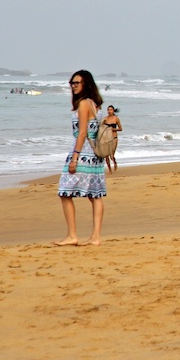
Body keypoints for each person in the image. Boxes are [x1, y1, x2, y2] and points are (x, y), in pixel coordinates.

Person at [54, 70, 106, 247]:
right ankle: (95, 237)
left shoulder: (84, 104)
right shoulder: (94, 104)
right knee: (95, 195)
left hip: (82, 153)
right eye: (72, 83)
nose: (74, 86)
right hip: (95, 155)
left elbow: (82, 133)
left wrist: (74, 157)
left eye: (77, 83)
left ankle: (72, 235)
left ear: (86, 84)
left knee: (64, 191)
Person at [102, 105, 122, 173]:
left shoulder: (116, 118)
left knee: (111, 155)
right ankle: (110, 169)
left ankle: (115, 162)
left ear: (113, 111)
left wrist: (113, 129)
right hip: (107, 138)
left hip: (114, 138)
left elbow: (120, 128)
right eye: (108, 110)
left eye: (110, 110)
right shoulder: (105, 119)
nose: (109, 111)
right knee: (106, 155)